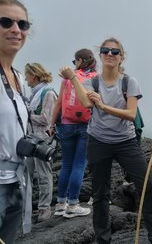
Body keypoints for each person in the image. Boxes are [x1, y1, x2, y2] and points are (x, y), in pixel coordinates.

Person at [59, 37, 152, 244]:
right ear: (100, 56)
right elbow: (84, 102)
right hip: (98, 140)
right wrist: (72, 77)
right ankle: (102, 240)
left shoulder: (129, 81)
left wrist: (104, 106)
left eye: (115, 52)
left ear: (121, 57)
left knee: (147, 187)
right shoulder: (93, 82)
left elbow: (131, 114)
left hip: (126, 141)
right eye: (106, 51)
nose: (110, 54)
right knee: (100, 194)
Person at [49, 48, 96, 219]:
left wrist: (52, 124)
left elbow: (59, 103)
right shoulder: (95, 78)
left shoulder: (67, 79)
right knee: (79, 164)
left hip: (67, 124)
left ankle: (61, 205)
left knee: (67, 164)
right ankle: (73, 204)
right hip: (86, 125)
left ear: (79, 61)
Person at [0, 0, 32, 242]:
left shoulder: (19, 79)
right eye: (5, 22)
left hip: (15, 182)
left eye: (22, 25)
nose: (16, 30)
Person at [24, 62, 57, 222]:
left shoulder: (48, 93)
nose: (25, 79)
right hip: (30, 140)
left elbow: (46, 119)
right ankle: (26, 208)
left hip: (42, 140)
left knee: (44, 175)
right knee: (26, 174)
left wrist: (25, 113)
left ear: (34, 76)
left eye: (27, 75)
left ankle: (45, 209)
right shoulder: (35, 94)